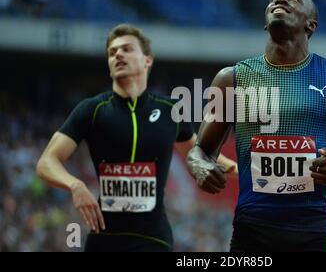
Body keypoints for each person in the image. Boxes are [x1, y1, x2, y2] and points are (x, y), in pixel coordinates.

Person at [187, 0, 326, 252]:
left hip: (313, 229)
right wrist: (199, 167)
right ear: (265, 23)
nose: (280, 0)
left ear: (311, 25)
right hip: (252, 229)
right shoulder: (231, 79)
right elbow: (200, 151)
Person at [36, 23, 237, 252]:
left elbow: (202, 155)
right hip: (105, 238)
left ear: (147, 60)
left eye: (127, 49)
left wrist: (249, 173)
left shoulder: (171, 110)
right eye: (112, 52)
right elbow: (46, 162)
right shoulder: (91, 110)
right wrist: (75, 185)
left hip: (153, 239)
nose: (118, 54)